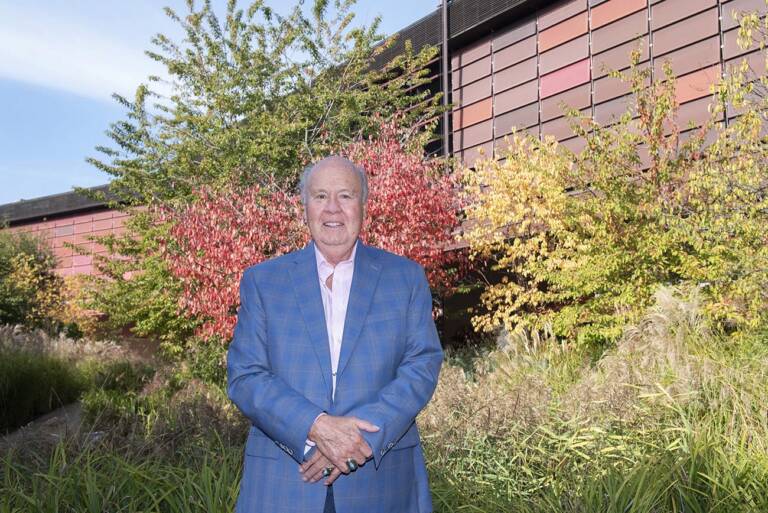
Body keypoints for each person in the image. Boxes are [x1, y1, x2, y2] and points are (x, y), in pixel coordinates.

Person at [227, 156, 443, 513]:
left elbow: (422, 364)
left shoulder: (405, 277)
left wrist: (356, 440)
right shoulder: (263, 281)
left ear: (363, 204)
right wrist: (316, 428)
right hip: (284, 484)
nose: (332, 209)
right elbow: (245, 376)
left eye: (345, 196)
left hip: (382, 484)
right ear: (304, 205)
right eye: (320, 195)